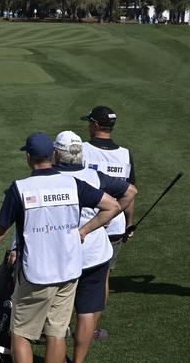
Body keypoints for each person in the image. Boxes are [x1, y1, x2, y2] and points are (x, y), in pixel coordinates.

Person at [0, 132, 121, 363]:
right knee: (56, 333)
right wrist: (84, 231)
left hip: (36, 273)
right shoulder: (73, 184)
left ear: (29, 157)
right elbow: (113, 206)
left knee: (21, 332)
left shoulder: (20, 188)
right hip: (69, 272)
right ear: (54, 155)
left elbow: (0, 231)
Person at [51, 131, 137, 363]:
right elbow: (130, 191)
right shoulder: (95, 176)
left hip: (60, 254)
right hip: (95, 255)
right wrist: (103, 217)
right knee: (87, 311)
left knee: (59, 312)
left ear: (57, 154)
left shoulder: (49, 178)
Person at [80, 105, 136, 339]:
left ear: (95, 125)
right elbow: (129, 192)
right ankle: (90, 330)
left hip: (84, 224)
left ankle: (63, 327)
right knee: (103, 278)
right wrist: (128, 223)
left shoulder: (82, 150)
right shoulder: (125, 154)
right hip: (114, 226)